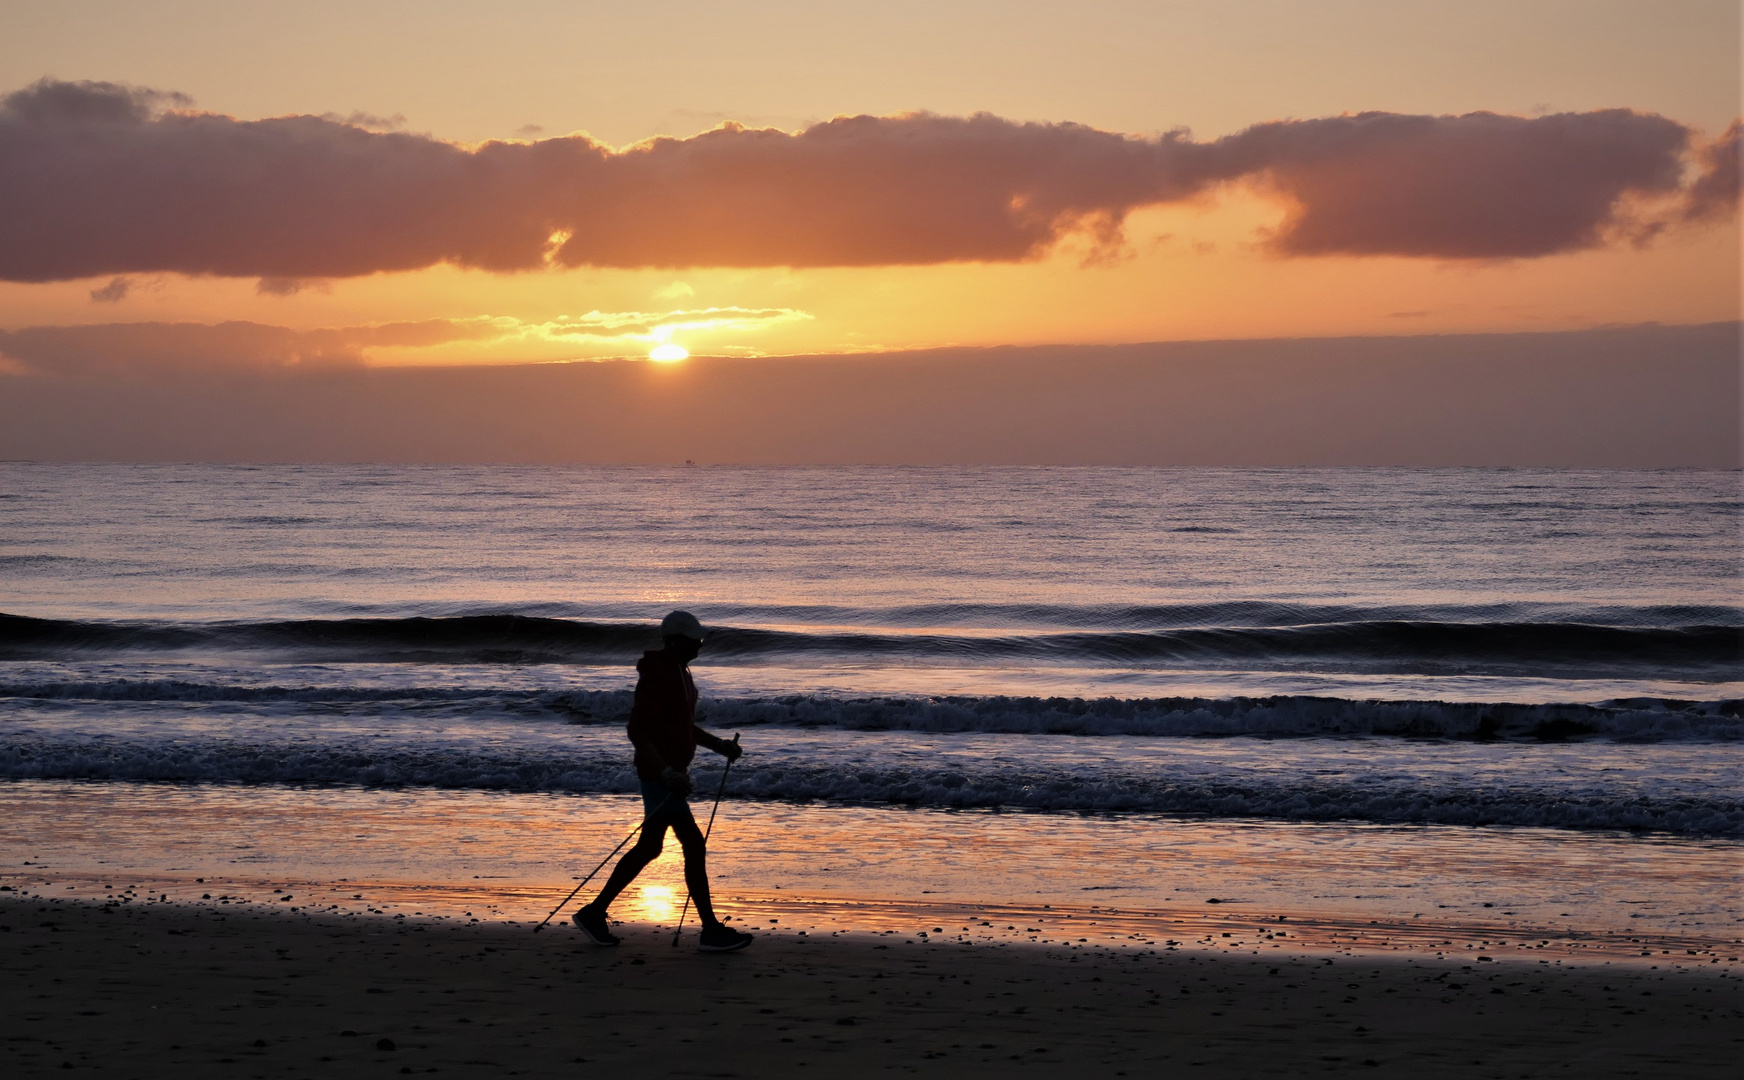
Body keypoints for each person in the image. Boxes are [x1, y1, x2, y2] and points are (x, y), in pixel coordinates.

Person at [572, 610, 753, 952]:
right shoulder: (658, 675)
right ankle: (711, 930)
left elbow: (684, 727)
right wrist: (667, 773)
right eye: (693, 640)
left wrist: (719, 746)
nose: (699, 645)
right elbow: (637, 732)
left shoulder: (681, 672)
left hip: (669, 776)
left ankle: (595, 912)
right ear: (674, 641)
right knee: (693, 846)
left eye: (700, 640)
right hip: (660, 777)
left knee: (650, 848)